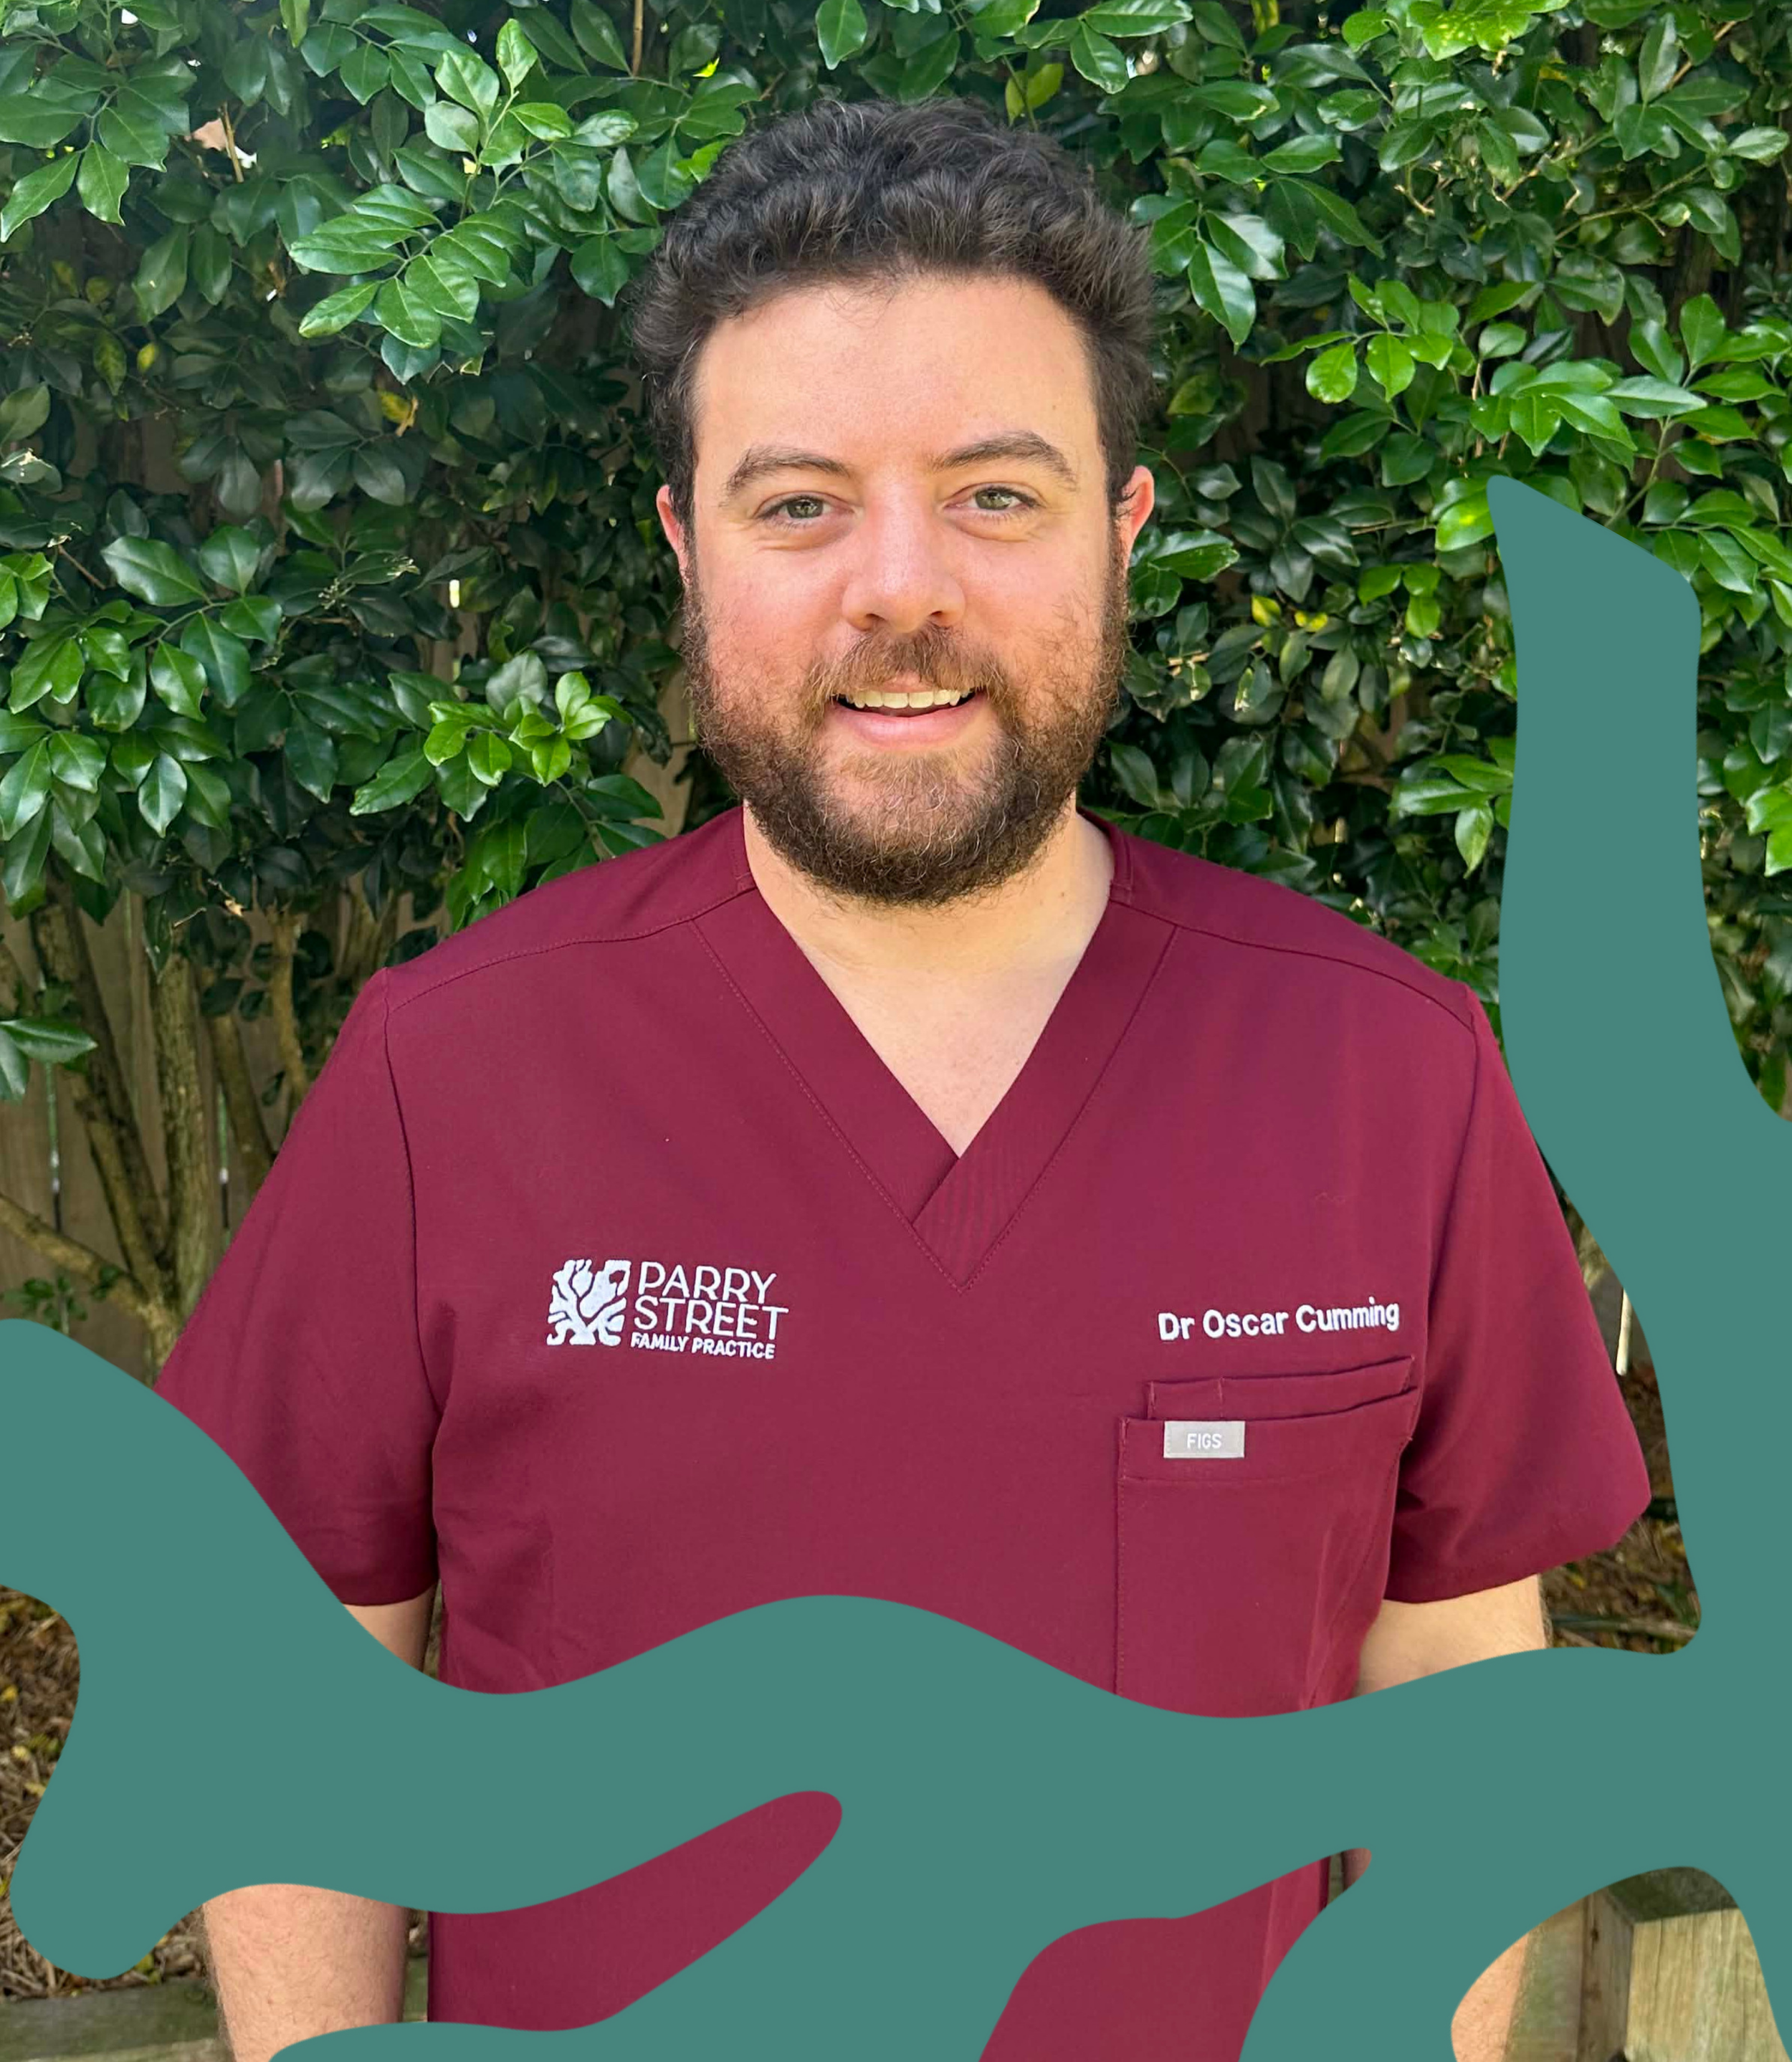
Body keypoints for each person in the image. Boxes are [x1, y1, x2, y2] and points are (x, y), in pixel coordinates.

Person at [156, 92, 1652, 2062]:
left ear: (1120, 529)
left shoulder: (1382, 1067)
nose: (897, 584)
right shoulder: (454, 1074)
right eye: (797, 504)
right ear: (689, 544)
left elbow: (1454, 1683)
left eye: (994, 493)